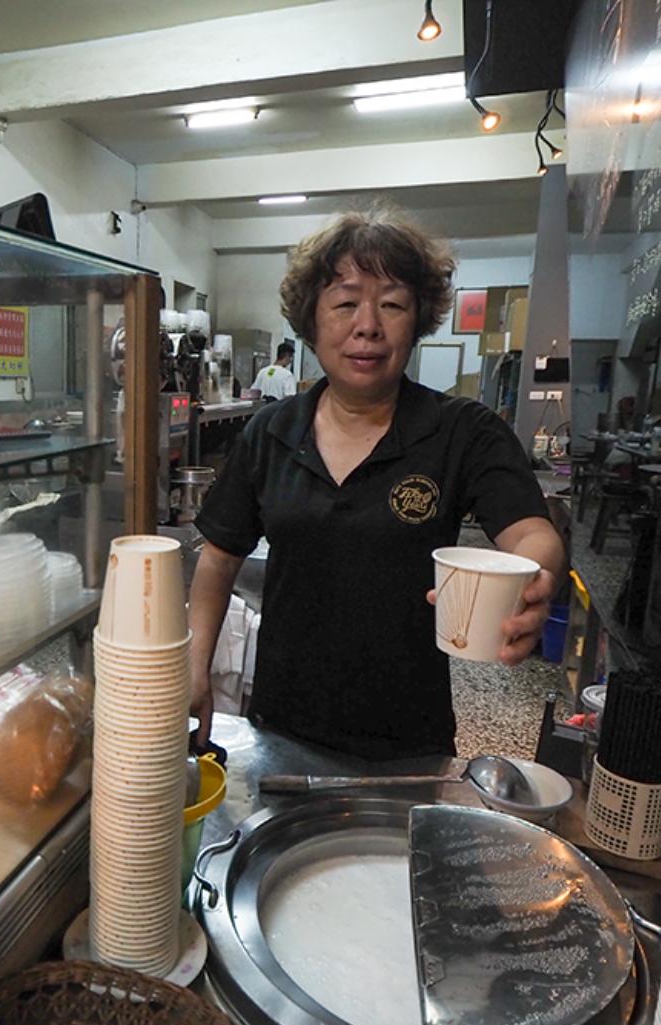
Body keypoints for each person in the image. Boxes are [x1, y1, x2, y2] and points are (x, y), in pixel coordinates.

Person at [189, 211, 564, 761]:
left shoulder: (462, 431)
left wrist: (533, 580)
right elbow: (219, 560)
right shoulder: (270, 432)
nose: (367, 325)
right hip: (282, 724)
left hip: (410, 740)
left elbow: (532, 533)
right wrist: (195, 666)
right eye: (345, 304)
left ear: (418, 321)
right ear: (311, 321)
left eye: (392, 305)